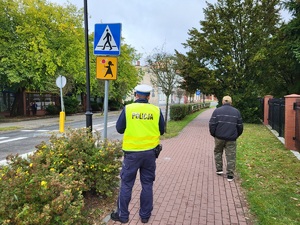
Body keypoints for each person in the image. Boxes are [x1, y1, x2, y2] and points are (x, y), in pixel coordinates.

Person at [111, 84, 165, 224]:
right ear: (148, 96)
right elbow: (162, 130)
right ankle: (145, 216)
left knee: (127, 184)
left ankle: (123, 216)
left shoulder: (128, 109)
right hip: (150, 154)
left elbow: (119, 129)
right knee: (147, 184)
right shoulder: (156, 110)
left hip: (131, 154)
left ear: (136, 95)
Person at [209, 96, 243, 182]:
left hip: (219, 137)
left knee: (218, 152)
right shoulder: (236, 112)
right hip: (231, 138)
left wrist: (214, 134)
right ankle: (230, 175)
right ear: (231, 102)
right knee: (231, 156)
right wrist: (236, 135)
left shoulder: (217, 111)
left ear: (223, 102)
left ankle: (219, 169)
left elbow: (212, 124)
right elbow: (240, 126)